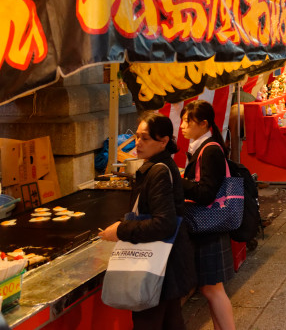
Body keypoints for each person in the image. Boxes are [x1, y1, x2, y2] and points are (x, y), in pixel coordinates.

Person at [100, 114, 196, 330]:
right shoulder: (159, 166)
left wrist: (121, 230)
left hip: (158, 267)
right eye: (137, 137)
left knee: (150, 322)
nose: (138, 143)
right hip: (169, 265)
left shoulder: (158, 172)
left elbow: (164, 224)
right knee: (171, 322)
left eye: (145, 138)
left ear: (163, 141)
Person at [178, 101, 236, 330]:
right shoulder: (202, 147)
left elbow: (206, 194)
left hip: (209, 226)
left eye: (187, 121)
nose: (182, 125)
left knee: (213, 288)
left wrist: (179, 181)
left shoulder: (210, 150)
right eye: (182, 119)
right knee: (210, 288)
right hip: (208, 226)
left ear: (203, 124)